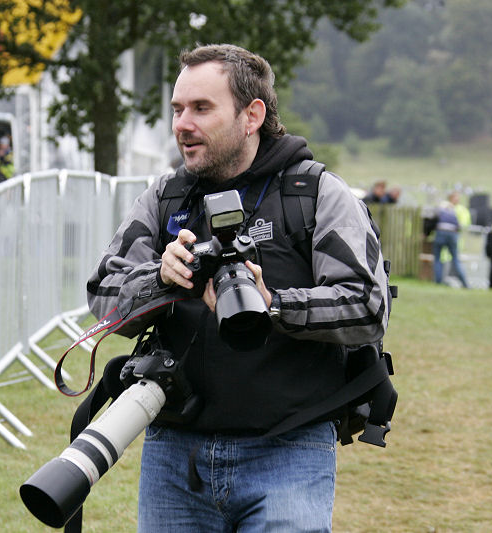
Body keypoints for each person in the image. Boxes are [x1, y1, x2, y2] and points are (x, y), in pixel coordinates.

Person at [87, 44, 389, 533]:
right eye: (177, 110)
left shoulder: (315, 195)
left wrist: (274, 305)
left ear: (252, 115)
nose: (182, 124)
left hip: (289, 448)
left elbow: (367, 305)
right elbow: (103, 294)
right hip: (175, 452)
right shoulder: (165, 199)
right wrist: (161, 280)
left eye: (201, 108)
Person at [432, 191, 470, 288]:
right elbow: (464, 225)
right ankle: (465, 283)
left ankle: (438, 282)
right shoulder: (461, 209)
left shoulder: (442, 207)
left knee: (437, 259)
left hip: (440, 232)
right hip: (453, 234)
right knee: (455, 260)